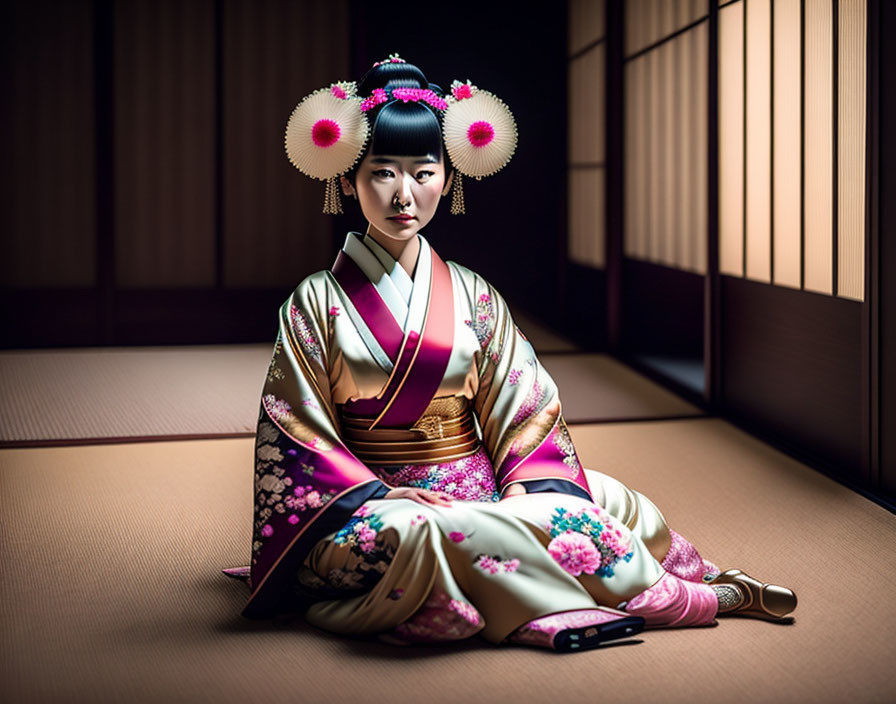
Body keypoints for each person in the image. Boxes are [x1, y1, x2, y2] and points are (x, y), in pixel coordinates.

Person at [225, 55, 797, 652]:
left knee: (614, 500)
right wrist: (383, 492)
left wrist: (526, 480)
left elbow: (525, 404)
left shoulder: (473, 294)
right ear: (346, 180)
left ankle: (592, 580)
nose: (404, 195)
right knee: (427, 536)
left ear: (448, 177)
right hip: (380, 503)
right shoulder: (314, 302)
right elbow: (296, 432)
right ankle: (674, 599)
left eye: (423, 173)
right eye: (381, 173)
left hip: (486, 485)